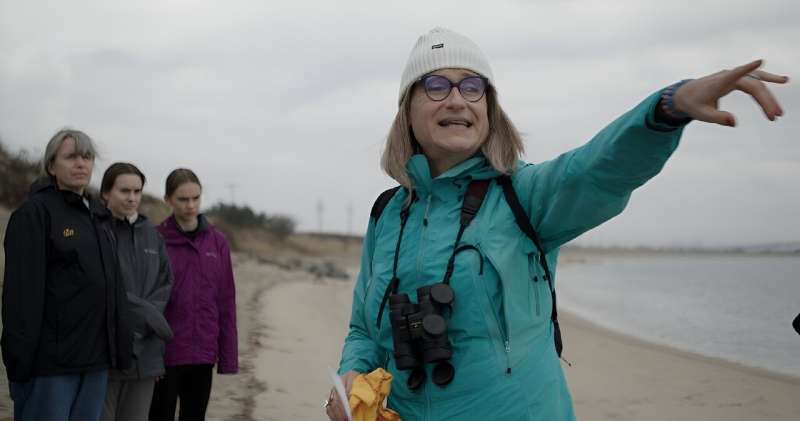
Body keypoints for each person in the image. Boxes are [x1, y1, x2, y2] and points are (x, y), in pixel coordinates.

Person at [328, 28, 788, 420]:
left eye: (473, 87)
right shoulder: (389, 213)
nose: (457, 99)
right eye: (435, 85)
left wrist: (667, 109)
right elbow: (364, 330)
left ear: (489, 107)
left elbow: (597, 170)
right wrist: (350, 373)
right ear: (407, 108)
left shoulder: (524, 196)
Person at [1, 129, 132, 421]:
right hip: (51, 365)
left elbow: (113, 289)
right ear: (51, 166)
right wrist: (18, 365)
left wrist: (120, 349)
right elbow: (20, 296)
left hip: (96, 360)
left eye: (87, 157)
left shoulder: (99, 217)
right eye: (71, 156)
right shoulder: (34, 214)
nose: (81, 163)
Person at [149, 168, 238, 421]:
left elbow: (226, 301)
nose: (191, 205)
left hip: (203, 352)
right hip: (166, 353)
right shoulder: (155, 239)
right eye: (183, 199)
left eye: (195, 198)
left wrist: (228, 358)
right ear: (168, 200)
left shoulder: (217, 242)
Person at [100, 163, 174, 421]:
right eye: (124, 191)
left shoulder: (153, 237)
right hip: (106, 353)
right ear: (106, 193)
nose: (132, 198)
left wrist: (147, 319)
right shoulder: (96, 231)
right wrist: (141, 316)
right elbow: (102, 286)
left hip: (147, 354)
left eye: (137, 191)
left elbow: (165, 284)